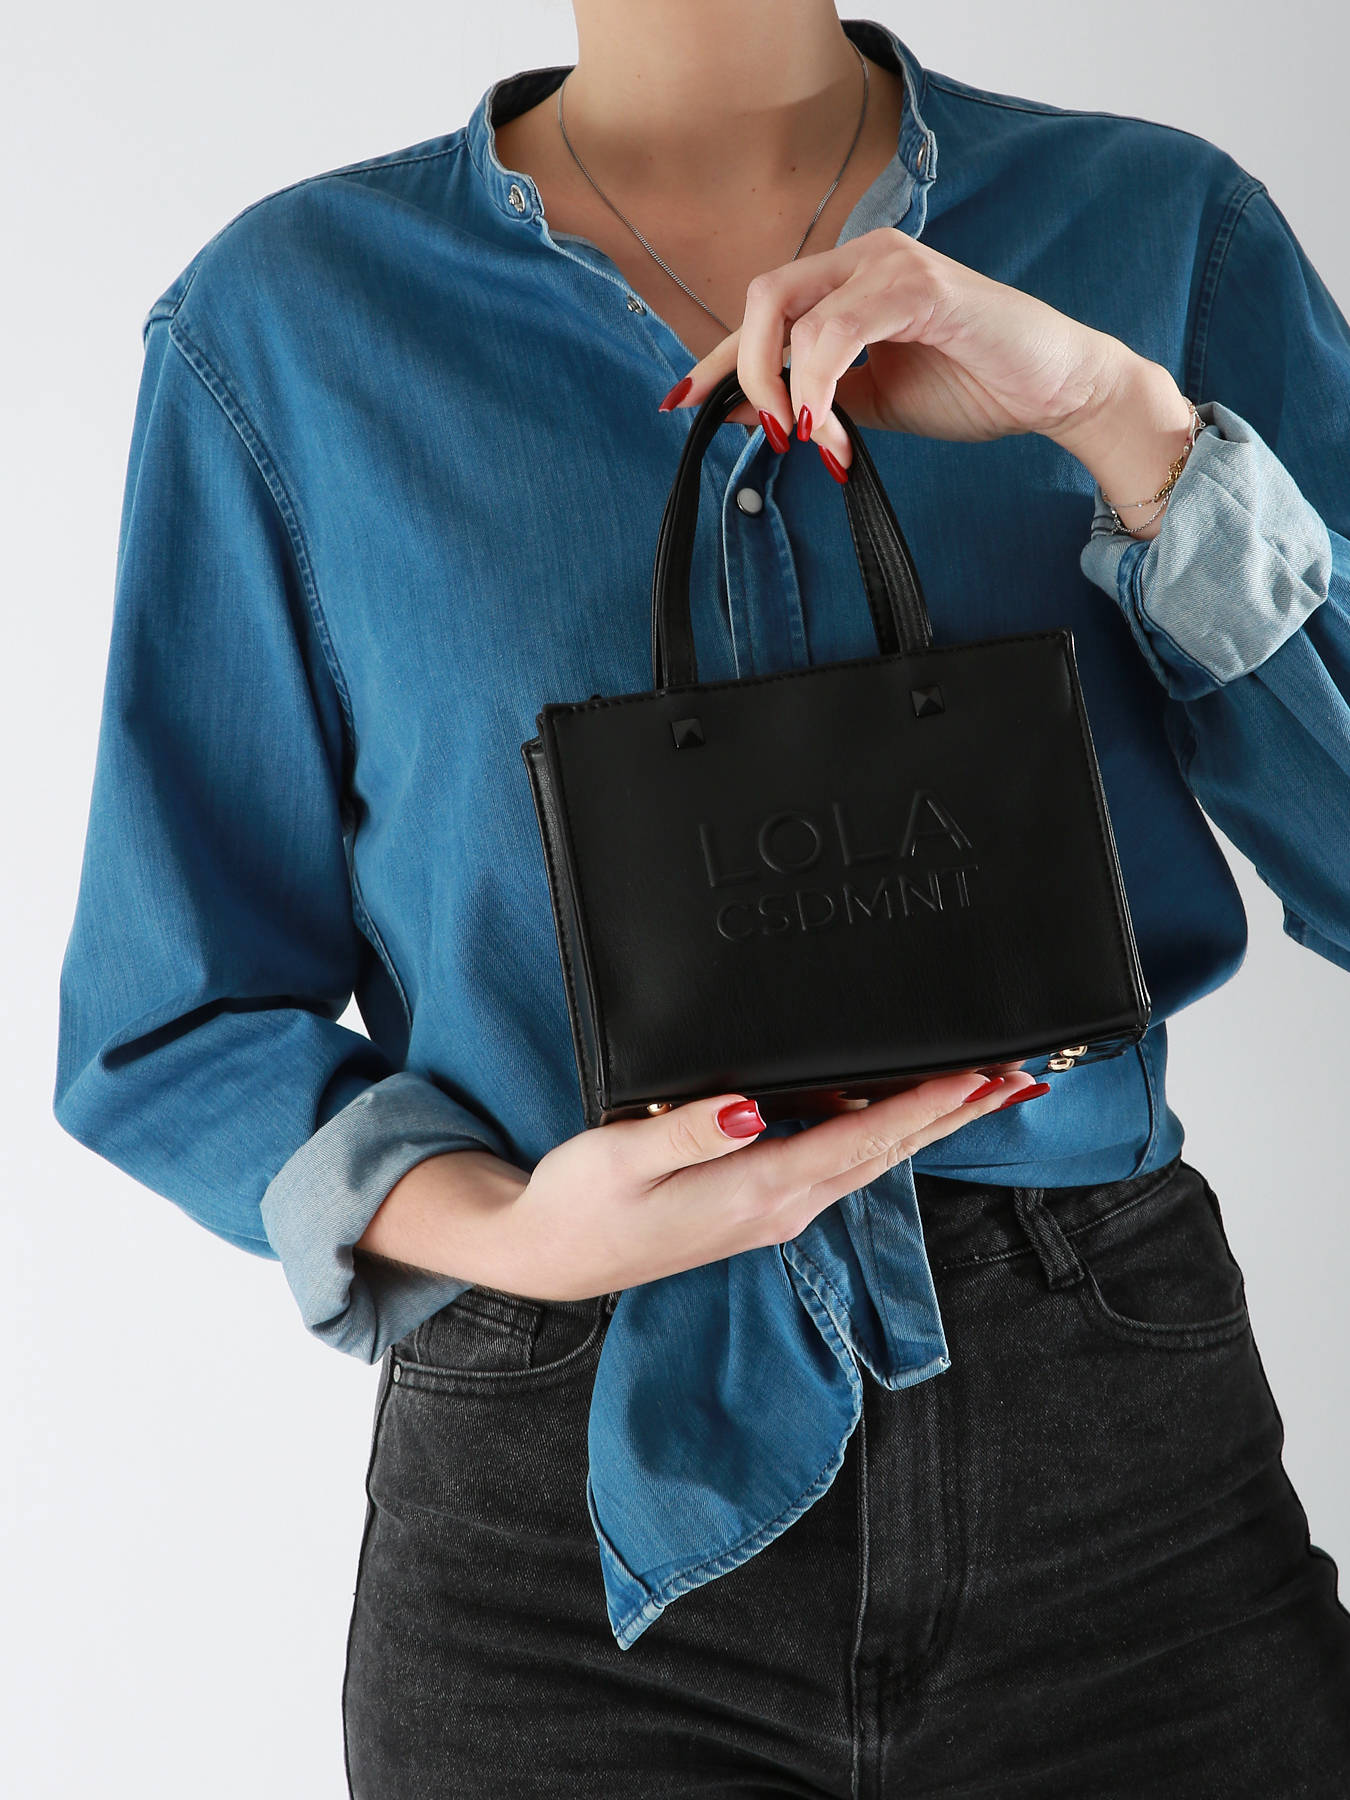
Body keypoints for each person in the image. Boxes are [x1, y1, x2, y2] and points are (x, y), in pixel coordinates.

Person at [53, 2, 1350, 1793]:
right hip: (562, 1509)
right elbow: (169, 1013)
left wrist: (1116, 419)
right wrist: (511, 1235)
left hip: (1119, 1484)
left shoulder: (1155, 230)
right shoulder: (287, 322)